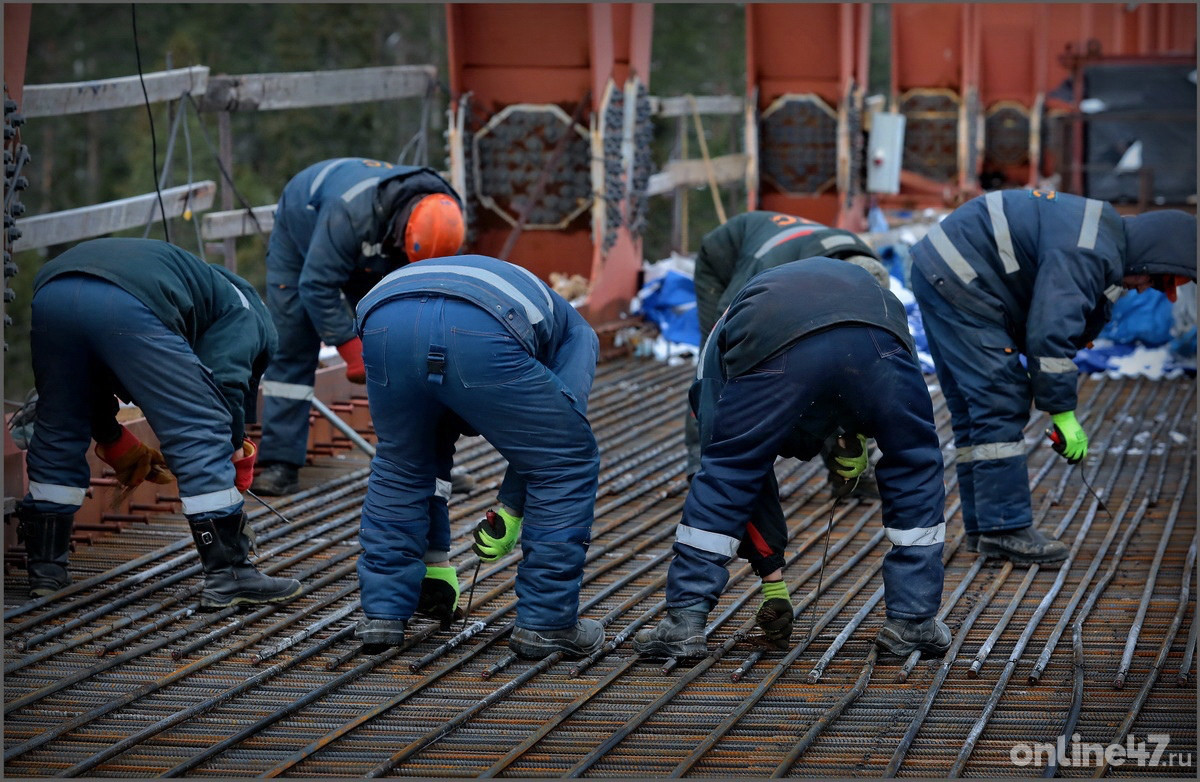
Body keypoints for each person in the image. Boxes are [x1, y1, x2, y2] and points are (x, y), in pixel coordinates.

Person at [633, 258, 950, 659]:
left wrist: (772, 574)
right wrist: (851, 428)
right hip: (880, 334)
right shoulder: (868, 291)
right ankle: (913, 621)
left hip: (779, 335)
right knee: (915, 461)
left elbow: (734, 469)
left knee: (729, 470)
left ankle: (684, 624)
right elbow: (856, 369)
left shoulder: (723, 337)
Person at [910, 190, 1196, 564]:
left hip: (948, 271)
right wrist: (1062, 413)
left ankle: (987, 526)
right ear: (1147, 258)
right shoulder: (1089, 250)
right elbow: (1048, 334)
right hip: (961, 279)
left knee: (977, 405)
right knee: (998, 397)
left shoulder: (1102, 239)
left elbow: (1058, 324)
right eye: (1155, 281)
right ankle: (1005, 529)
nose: (1145, 289)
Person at [18, 238, 301, 608]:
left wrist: (113, 439)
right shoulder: (247, 312)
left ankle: (46, 571)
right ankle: (230, 575)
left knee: (59, 421)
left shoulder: (198, 290)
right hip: (126, 299)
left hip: (53, 291)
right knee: (198, 427)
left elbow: (86, 389)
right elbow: (224, 385)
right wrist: (233, 452)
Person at [351, 254, 605, 659]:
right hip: (479, 328)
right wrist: (511, 507)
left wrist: (510, 505)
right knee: (568, 461)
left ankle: (384, 612)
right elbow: (554, 446)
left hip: (385, 319)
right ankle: (547, 622)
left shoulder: (523, 296)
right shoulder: (578, 334)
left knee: (403, 463)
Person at [252, 157, 468, 498]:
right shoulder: (348, 213)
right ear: (403, 232)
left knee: (407, 343)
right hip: (305, 233)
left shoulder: (446, 213)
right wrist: (350, 348)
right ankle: (281, 463)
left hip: (373, 248)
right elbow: (317, 286)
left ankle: (427, 460)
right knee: (293, 342)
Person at [688, 210, 890, 497]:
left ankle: (843, 473)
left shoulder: (863, 260)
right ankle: (703, 466)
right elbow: (728, 331)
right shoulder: (768, 270)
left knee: (832, 362)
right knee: (715, 364)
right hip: (726, 262)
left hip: (795, 258)